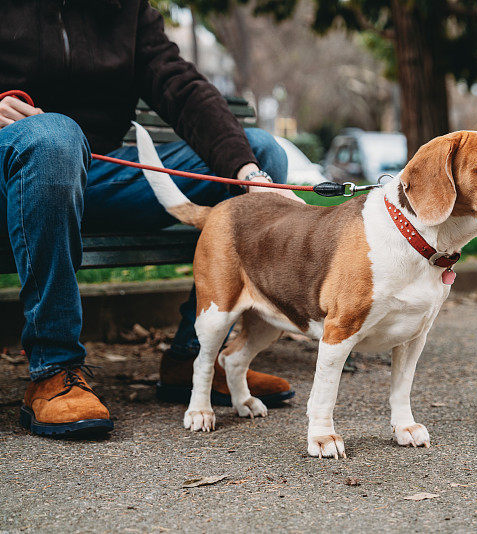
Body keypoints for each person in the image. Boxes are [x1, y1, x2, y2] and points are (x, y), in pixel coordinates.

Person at [0, 0, 297, 438]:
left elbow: (180, 86)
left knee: (261, 150)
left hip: (102, 171)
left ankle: (192, 356)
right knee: (55, 138)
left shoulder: (128, 9)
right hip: (19, 166)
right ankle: (54, 370)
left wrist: (247, 171)